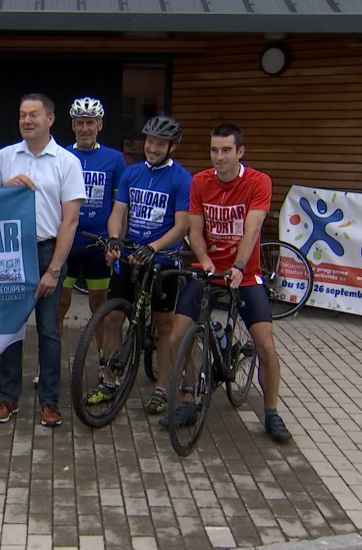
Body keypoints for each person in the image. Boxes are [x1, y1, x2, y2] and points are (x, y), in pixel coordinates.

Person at [165, 122, 292, 442]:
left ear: (240, 152)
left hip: (243, 275)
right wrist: (204, 260)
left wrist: (237, 266)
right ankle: (188, 400)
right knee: (177, 335)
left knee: (264, 344)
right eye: (213, 150)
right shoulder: (200, 182)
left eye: (225, 150)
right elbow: (194, 230)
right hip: (207, 270)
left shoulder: (258, 182)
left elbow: (252, 229)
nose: (218, 157)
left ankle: (271, 413)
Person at [0, 93, 86, 428]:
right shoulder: (5, 156)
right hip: (12, 251)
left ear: (50, 119)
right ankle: (8, 398)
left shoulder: (66, 161)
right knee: (10, 329)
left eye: (33, 115)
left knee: (49, 332)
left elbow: (70, 220)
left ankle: (49, 401)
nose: (26, 121)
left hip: (48, 251)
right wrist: (6, 187)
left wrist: (54, 269)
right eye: (21, 115)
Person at [103, 116, 191, 409]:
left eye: (160, 143)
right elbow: (118, 212)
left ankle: (162, 388)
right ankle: (109, 379)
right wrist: (115, 238)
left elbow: (181, 226)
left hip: (162, 258)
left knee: (165, 325)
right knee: (113, 316)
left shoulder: (181, 179)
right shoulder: (131, 173)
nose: (152, 148)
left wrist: (153, 247)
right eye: (149, 142)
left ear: (172, 146)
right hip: (131, 254)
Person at [54, 98, 125, 386]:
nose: (85, 128)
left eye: (90, 122)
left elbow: (120, 205)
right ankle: (50, 366)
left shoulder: (114, 159)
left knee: (100, 306)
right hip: (67, 242)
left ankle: (104, 363)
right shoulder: (60, 155)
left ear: (100, 125)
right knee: (58, 304)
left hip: (98, 244)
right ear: (72, 126)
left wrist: (115, 241)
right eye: (80, 122)